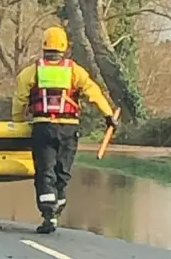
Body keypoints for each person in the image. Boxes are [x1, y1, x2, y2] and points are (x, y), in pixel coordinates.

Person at [11, 26, 118, 234]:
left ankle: (49, 214)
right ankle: (57, 207)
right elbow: (93, 92)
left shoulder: (31, 71)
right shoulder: (74, 71)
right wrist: (108, 115)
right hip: (69, 129)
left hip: (43, 127)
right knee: (62, 171)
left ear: (44, 46)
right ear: (65, 47)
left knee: (45, 171)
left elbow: (20, 99)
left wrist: (17, 122)